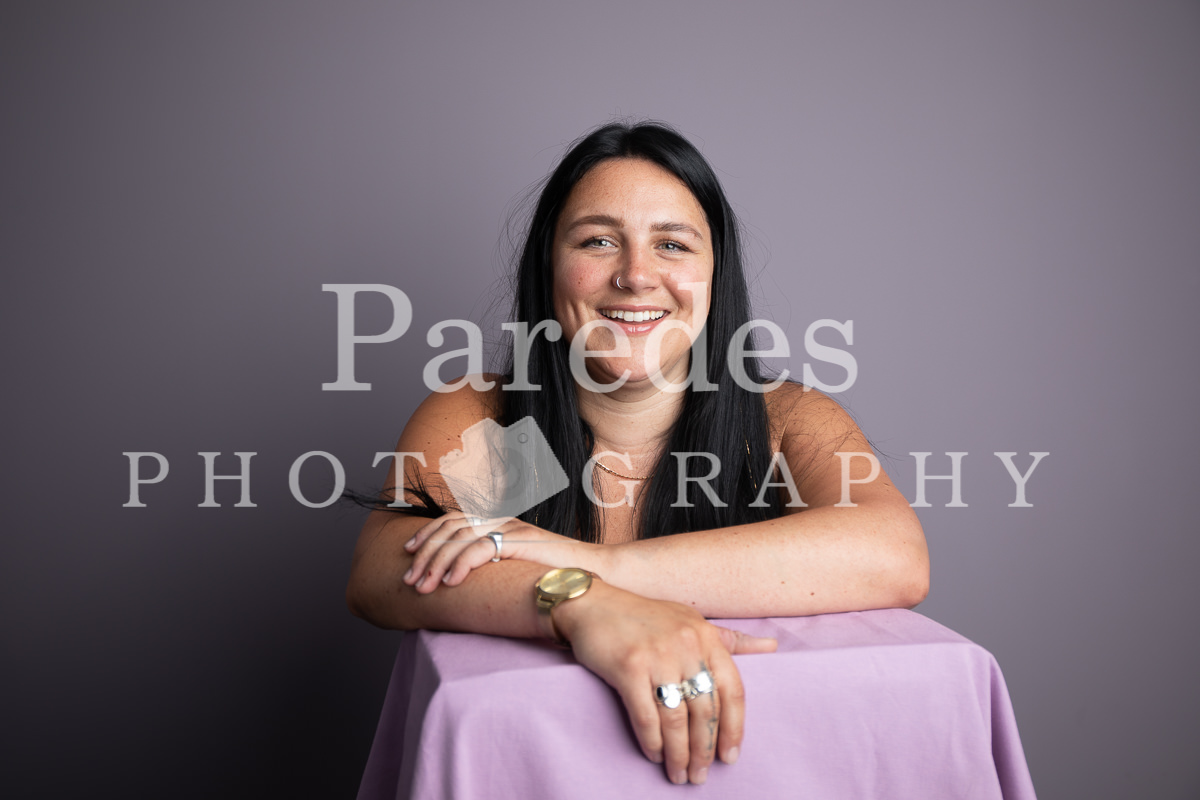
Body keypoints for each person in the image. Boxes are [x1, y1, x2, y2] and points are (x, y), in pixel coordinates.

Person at [346, 121, 928, 787]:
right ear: (549, 266)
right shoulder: (505, 427)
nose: (636, 276)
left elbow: (894, 554)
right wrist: (580, 604)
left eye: (672, 244)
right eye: (598, 241)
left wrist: (598, 567)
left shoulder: (780, 423)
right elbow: (382, 568)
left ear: (715, 275)